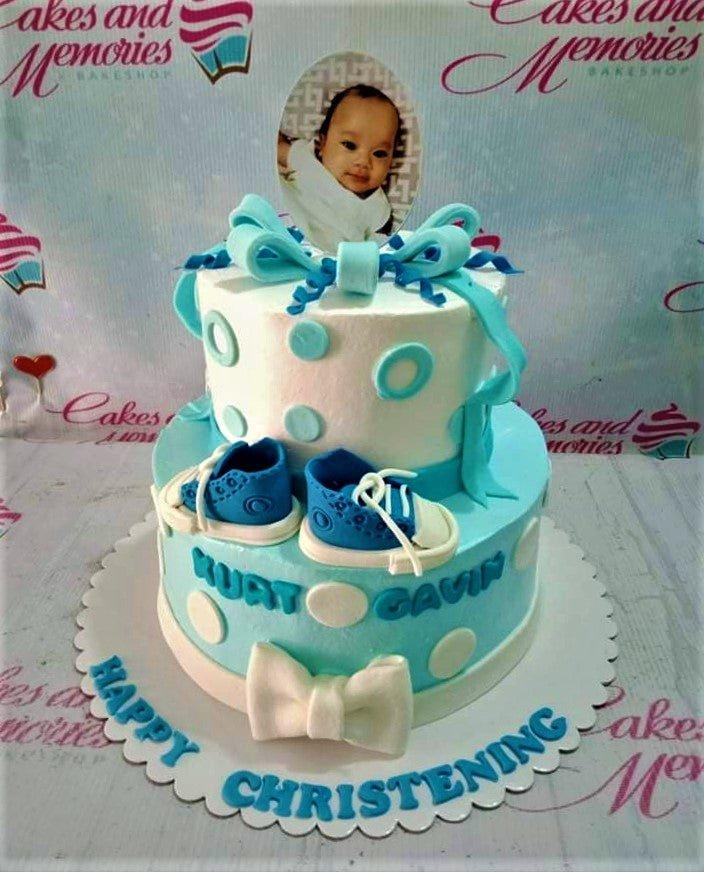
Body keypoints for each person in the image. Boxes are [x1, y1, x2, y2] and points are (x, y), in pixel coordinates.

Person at [278, 84, 403, 253]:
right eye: (349, 145)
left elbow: (379, 243)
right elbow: (279, 147)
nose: (363, 161)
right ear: (322, 144)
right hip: (288, 231)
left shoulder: (378, 205)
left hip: (334, 257)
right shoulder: (309, 163)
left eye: (379, 153)